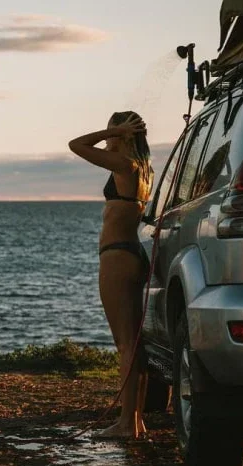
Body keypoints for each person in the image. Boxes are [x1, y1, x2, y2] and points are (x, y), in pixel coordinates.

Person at [68, 111, 153, 439]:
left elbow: (76, 145)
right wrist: (116, 131)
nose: (106, 138)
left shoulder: (126, 165)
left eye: (112, 132)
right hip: (132, 254)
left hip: (118, 256)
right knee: (135, 345)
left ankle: (125, 424)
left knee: (125, 346)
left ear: (125, 134)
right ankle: (136, 421)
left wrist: (112, 130)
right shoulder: (143, 168)